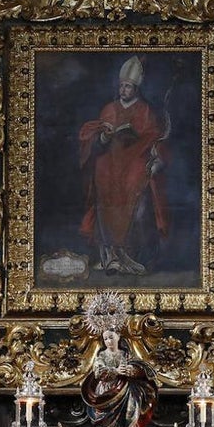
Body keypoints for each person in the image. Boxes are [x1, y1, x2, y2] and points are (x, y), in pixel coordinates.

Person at [78, 55, 170, 275]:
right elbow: (96, 137)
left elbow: (154, 138)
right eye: (122, 86)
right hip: (110, 161)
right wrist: (104, 137)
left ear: (136, 89)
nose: (124, 90)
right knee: (104, 186)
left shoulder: (145, 110)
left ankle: (128, 255)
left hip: (135, 160)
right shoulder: (109, 108)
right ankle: (109, 256)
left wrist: (155, 159)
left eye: (128, 86)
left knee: (134, 189)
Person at [81, 329, 157, 427]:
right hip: (106, 396)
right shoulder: (101, 356)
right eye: (105, 339)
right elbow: (98, 372)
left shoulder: (126, 355)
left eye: (111, 337)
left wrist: (131, 371)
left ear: (118, 337)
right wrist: (116, 371)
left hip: (127, 394)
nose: (108, 341)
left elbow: (141, 369)